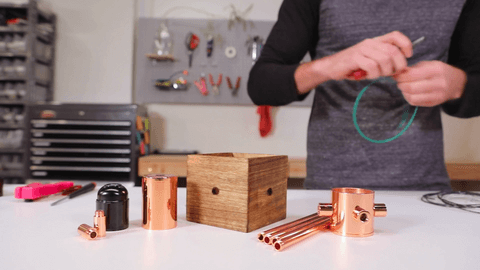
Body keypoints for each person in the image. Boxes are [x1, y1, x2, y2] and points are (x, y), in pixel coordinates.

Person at [247, 0, 480, 190]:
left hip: (425, 190)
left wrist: (459, 85)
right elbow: (260, 84)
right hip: (332, 192)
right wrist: (329, 65)